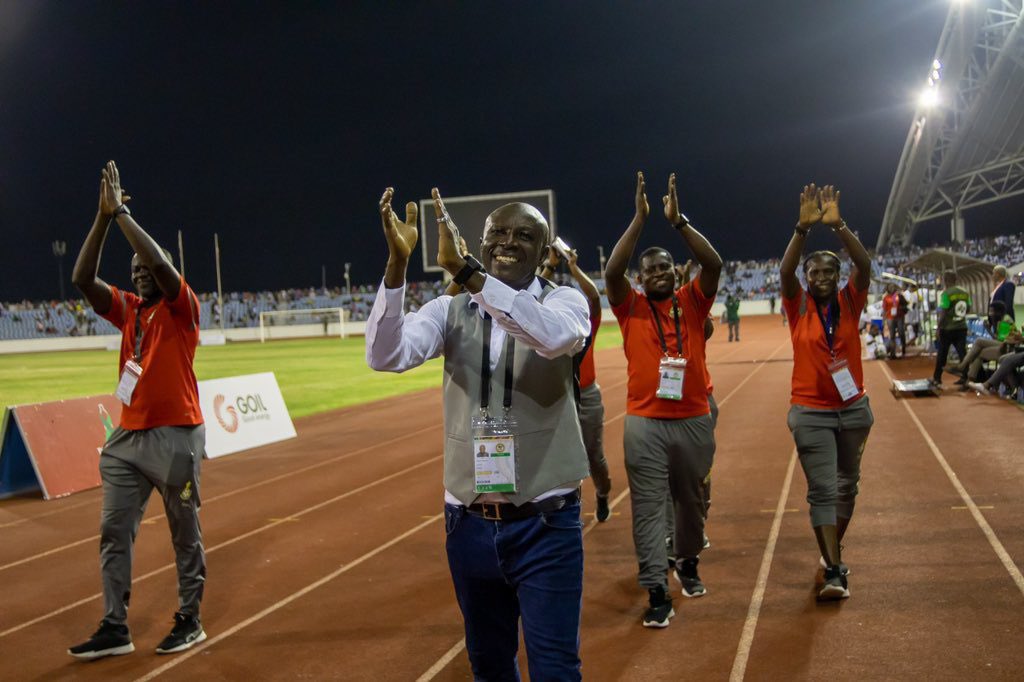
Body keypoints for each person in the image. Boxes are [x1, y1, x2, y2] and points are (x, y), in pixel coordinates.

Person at [366, 186, 591, 680]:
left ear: (543, 250)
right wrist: (397, 268)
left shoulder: (567, 304)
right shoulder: (449, 311)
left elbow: (549, 337)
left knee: (555, 668)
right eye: (497, 233)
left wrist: (469, 275)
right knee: (488, 663)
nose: (507, 242)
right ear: (482, 240)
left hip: (546, 523)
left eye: (524, 235)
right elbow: (386, 356)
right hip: (467, 523)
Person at [68, 161, 207, 659]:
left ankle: (189, 617)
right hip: (128, 440)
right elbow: (82, 277)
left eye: (147, 269)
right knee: (113, 531)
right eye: (134, 272)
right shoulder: (129, 309)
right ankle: (114, 625)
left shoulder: (182, 306)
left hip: (177, 439)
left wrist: (123, 212)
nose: (140, 274)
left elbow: (160, 264)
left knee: (183, 528)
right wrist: (103, 219)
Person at [605, 172, 721, 628]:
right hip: (645, 423)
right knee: (648, 506)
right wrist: (639, 220)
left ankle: (687, 560)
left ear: (675, 272)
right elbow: (613, 272)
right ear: (641, 278)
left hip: (693, 418)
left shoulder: (693, 301)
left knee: (691, 503)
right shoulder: (628, 305)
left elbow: (712, 264)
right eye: (649, 269)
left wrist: (680, 224)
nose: (657, 273)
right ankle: (656, 586)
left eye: (664, 267)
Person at [780, 184, 874, 601]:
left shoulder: (851, 302)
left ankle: (830, 551)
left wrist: (839, 228)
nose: (820, 278)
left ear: (838, 277)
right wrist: (801, 230)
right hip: (811, 412)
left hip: (853, 409)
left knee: (847, 486)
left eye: (827, 272)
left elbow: (865, 265)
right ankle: (835, 570)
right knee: (822, 488)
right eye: (813, 273)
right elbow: (784, 273)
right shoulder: (797, 305)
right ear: (806, 278)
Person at [540, 246, 613, 522]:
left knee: (594, 456)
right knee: (556, 457)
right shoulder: (543, 329)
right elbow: (527, 298)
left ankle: (603, 493)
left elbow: (594, 296)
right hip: (557, 398)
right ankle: (563, 509)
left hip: (587, 396)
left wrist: (572, 268)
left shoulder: (585, 325)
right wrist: (549, 265)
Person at [953, 301, 1016, 386]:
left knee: (979, 341)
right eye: (990, 311)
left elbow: (1001, 340)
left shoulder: (1006, 320)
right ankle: (969, 381)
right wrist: (989, 328)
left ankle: (963, 366)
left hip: (1007, 347)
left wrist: (988, 329)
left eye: (992, 311)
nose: (990, 314)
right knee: (979, 353)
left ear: (999, 311)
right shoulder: (999, 320)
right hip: (1001, 345)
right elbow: (996, 339)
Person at [932, 271, 972, 387]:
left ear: (945, 280)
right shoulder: (964, 293)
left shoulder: (946, 294)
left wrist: (939, 328)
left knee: (942, 354)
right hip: (961, 327)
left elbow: (943, 313)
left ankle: (937, 378)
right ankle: (965, 377)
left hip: (948, 328)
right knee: (962, 354)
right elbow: (968, 308)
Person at [882, 283, 907, 359]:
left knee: (901, 332)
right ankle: (893, 353)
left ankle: (903, 348)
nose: (892, 288)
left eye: (893, 287)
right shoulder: (886, 298)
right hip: (890, 318)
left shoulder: (899, 296)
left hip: (899, 317)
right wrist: (884, 320)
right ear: (887, 288)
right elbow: (884, 309)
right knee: (892, 335)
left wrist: (901, 307)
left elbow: (906, 304)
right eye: (890, 287)